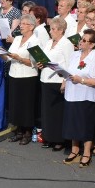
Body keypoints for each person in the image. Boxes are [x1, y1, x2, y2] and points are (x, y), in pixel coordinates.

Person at [61, 29, 95, 167]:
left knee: (85, 125)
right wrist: (64, 82)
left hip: (86, 96)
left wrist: (82, 80)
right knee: (73, 123)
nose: (81, 42)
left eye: (85, 40)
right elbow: (68, 71)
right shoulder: (75, 55)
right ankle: (74, 150)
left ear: (92, 45)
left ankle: (86, 153)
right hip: (71, 94)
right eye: (81, 39)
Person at [38, 17, 73, 151]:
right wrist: (40, 63)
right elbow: (44, 59)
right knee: (47, 111)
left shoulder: (66, 44)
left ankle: (59, 139)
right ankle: (48, 137)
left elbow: (69, 64)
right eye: (50, 29)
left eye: (53, 29)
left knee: (57, 112)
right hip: (45, 78)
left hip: (57, 80)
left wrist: (65, 81)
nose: (50, 32)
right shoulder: (48, 43)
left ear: (61, 30)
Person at [4, 15, 41, 144]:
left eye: (24, 24)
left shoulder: (35, 40)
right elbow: (9, 56)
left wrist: (18, 58)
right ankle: (18, 130)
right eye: (21, 23)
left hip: (28, 76)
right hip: (14, 74)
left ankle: (28, 132)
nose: (21, 26)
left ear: (31, 26)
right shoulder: (17, 38)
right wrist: (2, 54)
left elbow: (35, 62)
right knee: (16, 104)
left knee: (27, 105)